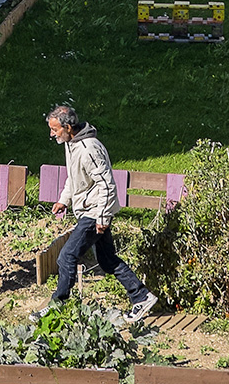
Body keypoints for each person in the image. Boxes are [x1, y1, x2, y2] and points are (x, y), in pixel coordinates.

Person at [34, 104, 159, 324]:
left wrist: (102, 217)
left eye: (55, 130)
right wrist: (64, 200)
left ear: (69, 127)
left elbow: (107, 185)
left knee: (66, 257)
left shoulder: (89, 149)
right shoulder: (72, 144)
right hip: (90, 210)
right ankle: (141, 296)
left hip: (95, 212)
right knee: (107, 259)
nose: (51, 134)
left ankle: (57, 306)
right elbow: (74, 179)